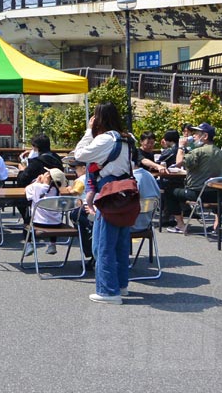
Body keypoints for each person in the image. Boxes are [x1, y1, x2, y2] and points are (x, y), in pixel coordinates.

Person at [73, 102, 133, 304]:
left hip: (108, 194)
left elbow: (79, 155)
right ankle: (121, 285)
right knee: (121, 244)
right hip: (126, 192)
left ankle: (108, 291)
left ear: (98, 118)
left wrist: (89, 131)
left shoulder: (105, 140)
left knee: (103, 245)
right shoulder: (128, 139)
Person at [166, 123, 222, 235]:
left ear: (205, 136)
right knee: (219, 194)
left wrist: (180, 146)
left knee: (169, 192)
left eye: (196, 134)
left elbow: (178, 163)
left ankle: (180, 225)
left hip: (198, 193)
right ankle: (216, 225)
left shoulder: (198, 152)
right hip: (217, 194)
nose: (193, 136)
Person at [23, 167, 67, 255]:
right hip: (56, 224)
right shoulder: (58, 191)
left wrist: (37, 182)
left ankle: (29, 244)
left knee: (27, 220)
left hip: (38, 223)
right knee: (52, 217)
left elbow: (26, 189)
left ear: (48, 177)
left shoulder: (37, 187)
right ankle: (52, 244)